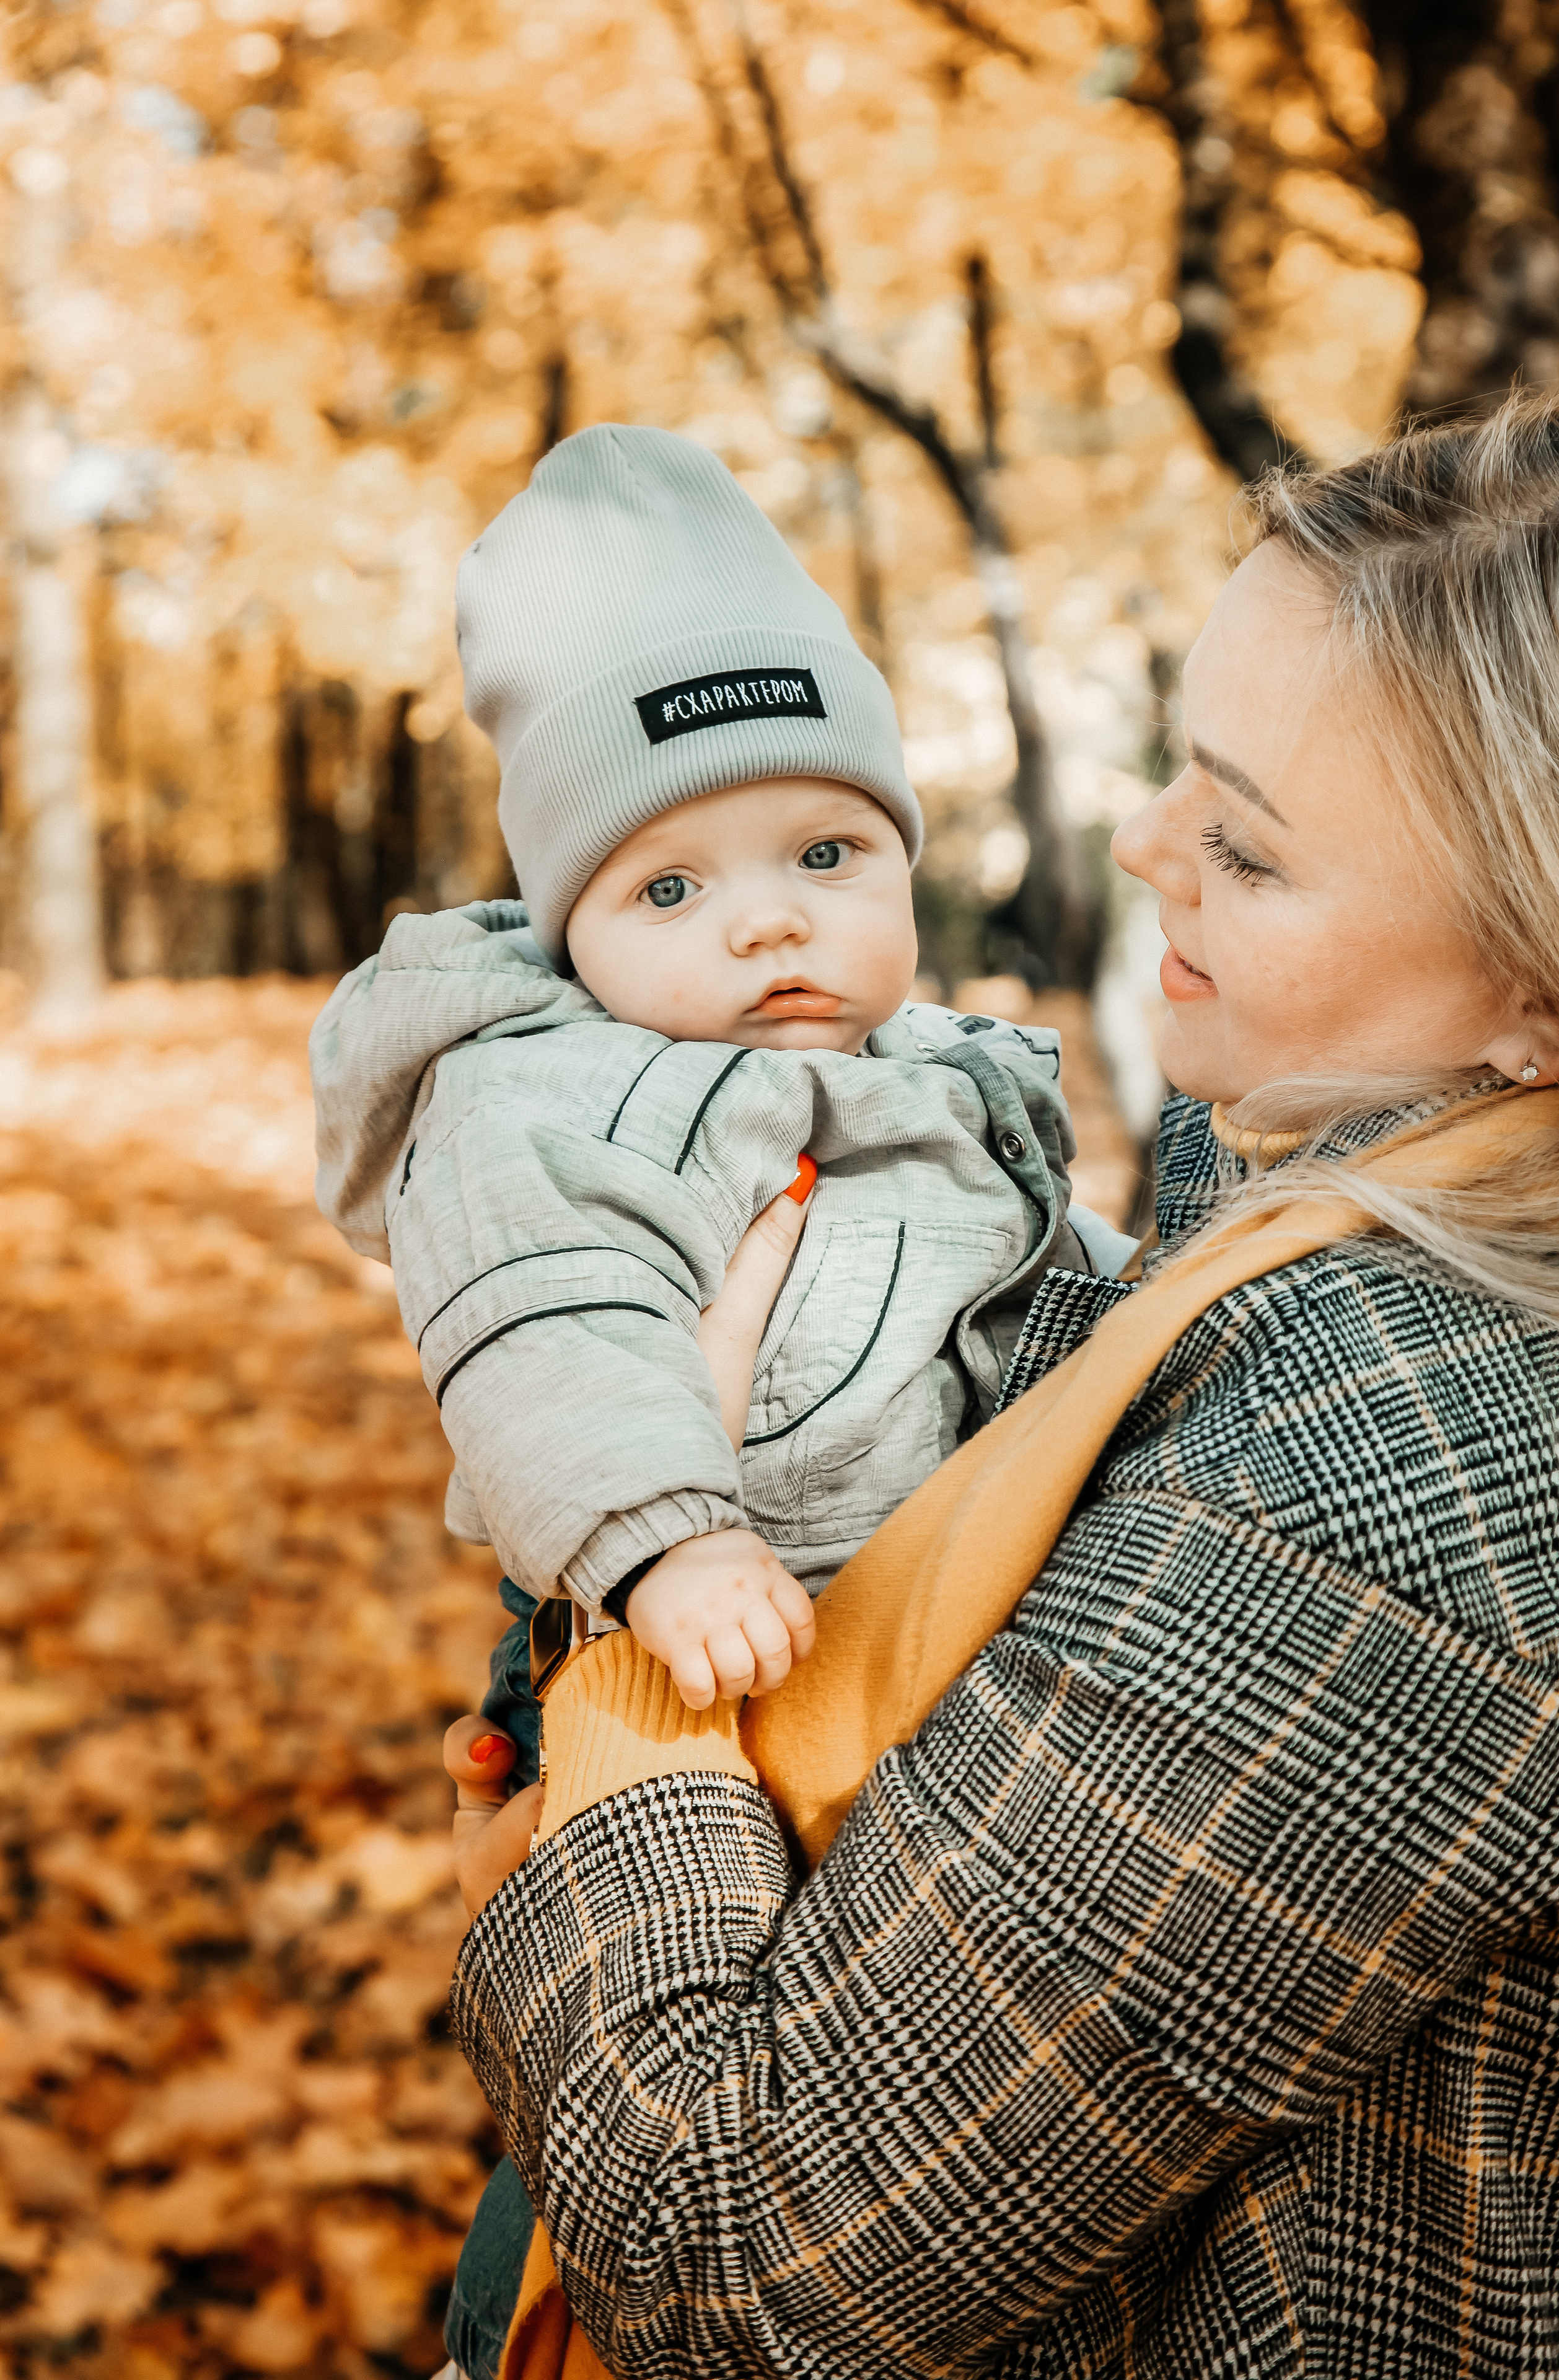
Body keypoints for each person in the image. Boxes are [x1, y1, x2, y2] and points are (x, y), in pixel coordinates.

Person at [440, 398, 1559, 2380]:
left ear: (1540, 998)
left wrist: (617, 1650)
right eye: (1173, 764)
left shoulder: (1412, 1484)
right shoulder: (1307, 1173)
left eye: (1244, 837)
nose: (1141, 842)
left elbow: (739, 2256)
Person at [309, 421, 1130, 2380]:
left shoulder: (953, 1074)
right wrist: (665, 1538)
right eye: (669, 886)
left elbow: (1050, 1286)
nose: (767, 923)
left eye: (825, 856)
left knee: (893, 2128)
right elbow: (550, 1330)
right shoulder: (545, 1098)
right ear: (571, 926)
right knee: (655, 2086)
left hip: (898, 1663)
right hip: (685, 1627)